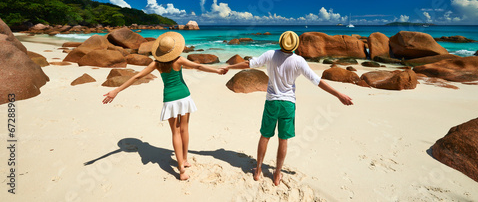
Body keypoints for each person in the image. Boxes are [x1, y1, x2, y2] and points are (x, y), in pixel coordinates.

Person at [225, 31, 353, 186]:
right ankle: (277, 174)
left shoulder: (270, 55)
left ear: (281, 42)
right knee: (283, 140)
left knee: (265, 137)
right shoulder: (299, 61)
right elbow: (317, 81)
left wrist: (228, 67)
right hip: (288, 105)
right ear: (295, 46)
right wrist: (338, 94)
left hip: (272, 102)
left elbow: (248, 64)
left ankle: (258, 171)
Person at [102, 32, 227, 180]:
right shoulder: (179, 60)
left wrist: (116, 90)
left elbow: (137, 76)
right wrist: (217, 70)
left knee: (175, 132)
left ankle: (181, 168)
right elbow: (198, 66)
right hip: (184, 96)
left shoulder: (156, 63)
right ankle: (185, 160)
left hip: (169, 99)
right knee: (184, 129)